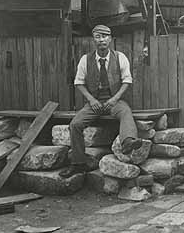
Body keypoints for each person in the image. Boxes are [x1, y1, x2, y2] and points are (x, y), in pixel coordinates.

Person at [59, 24, 145, 178]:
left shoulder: (120, 57)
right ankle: (78, 164)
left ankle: (127, 142)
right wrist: (91, 100)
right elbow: (78, 83)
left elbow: (127, 81)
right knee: (75, 124)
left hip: (114, 101)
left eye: (105, 36)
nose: (101, 40)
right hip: (94, 102)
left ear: (110, 39)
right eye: (98, 37)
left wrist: (114, 99)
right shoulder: (85, 60)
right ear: (94, 40)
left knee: (125, 111)